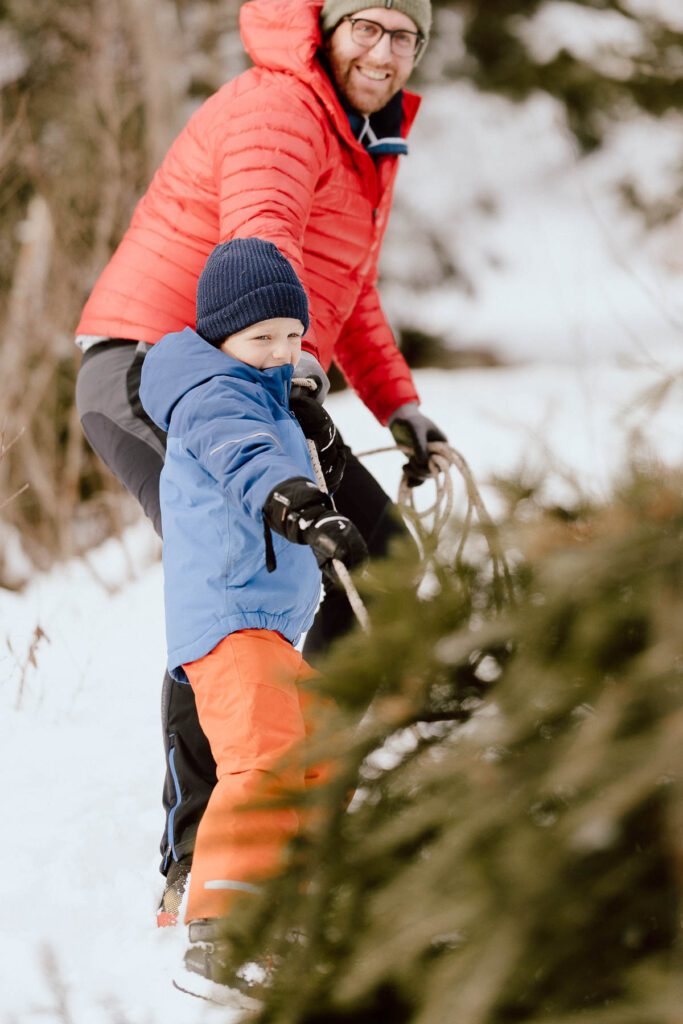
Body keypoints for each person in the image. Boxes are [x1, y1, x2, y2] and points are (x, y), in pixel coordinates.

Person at [74, 0, 448, 922]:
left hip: (267, 369)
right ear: (325, 25)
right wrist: (294, 366)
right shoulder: (283, 107)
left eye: (406, 35)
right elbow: (259, 232)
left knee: (379, 563)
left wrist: (400, 407)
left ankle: (290, 804)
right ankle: (202, 857)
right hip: (163, 366)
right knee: (228, 583)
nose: (385, 51)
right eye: (368, 26)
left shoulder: (366, 143)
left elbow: (342, 294)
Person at [139, 236, 367, 1002]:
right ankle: (223, 934)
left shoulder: (266, 393)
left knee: (321, 749)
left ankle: (291, 910)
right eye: (260, 338)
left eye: (292, 336)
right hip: (227, 615)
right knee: (263, 757)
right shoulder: (211, 394)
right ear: (218, 335)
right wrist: (299, 504)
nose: (279, 351)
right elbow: (244, 460)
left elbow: (277, 439)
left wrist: (318, 442)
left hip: (265, 620)